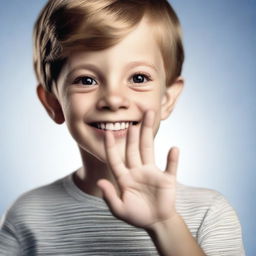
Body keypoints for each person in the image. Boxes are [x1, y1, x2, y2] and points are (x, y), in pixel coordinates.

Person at [0, 0, 245, 255]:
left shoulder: (209, 212)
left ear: (167, 99)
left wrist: (164, 224)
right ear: (53, 103)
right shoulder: (26, 217)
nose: (114, 99)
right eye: (86, 80)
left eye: (138, 78)